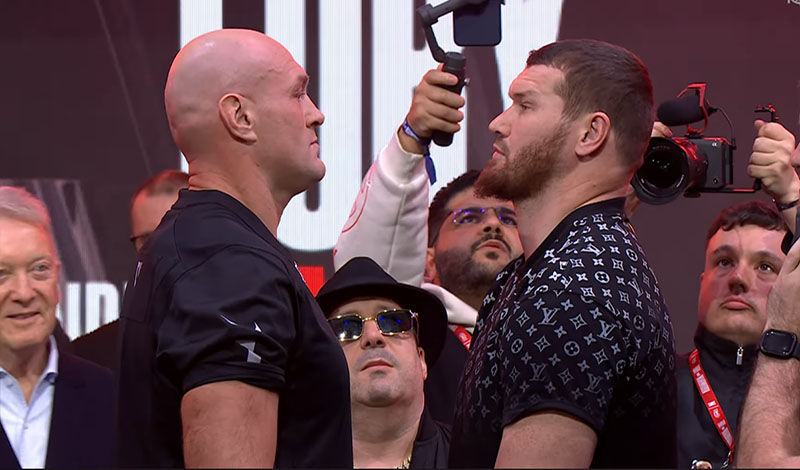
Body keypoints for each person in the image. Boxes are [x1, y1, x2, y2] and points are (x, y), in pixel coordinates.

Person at [115, 29, 352, 468]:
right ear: (239, 116)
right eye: (298, 94)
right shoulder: (227, 262)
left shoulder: (200, 244)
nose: (316, 114)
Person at [449, 39, 677, 468]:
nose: (498, 123)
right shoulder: (555, 267)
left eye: (524, 106)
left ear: (590, 134)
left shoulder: (573, 286)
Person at [335, 69, 523, 423]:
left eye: (509, 219)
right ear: (428, 259)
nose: (493, 224)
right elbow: (370, 269)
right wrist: (412, 140)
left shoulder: (552, 330)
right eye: (468, 216)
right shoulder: (407, 332)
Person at [0, 186, 113, 468]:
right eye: (2, 274)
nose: (24, 293)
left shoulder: (112, 398)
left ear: (57, 281)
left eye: (39, 269)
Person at [676, 201, 787, 468]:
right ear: (702, 280)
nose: (738, 277)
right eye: (724, 262)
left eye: (764, 267)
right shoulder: (649, 387)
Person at [316, 256, 451, 468]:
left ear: (421, 360)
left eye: (393, 321)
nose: (373, 336)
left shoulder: (479, 457)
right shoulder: (276, 458)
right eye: (346, 327)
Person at [72, 169, 188, 370]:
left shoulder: (250, 338)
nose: (161, 249)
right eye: (147, 240)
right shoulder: (90, 357)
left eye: (174, 233)